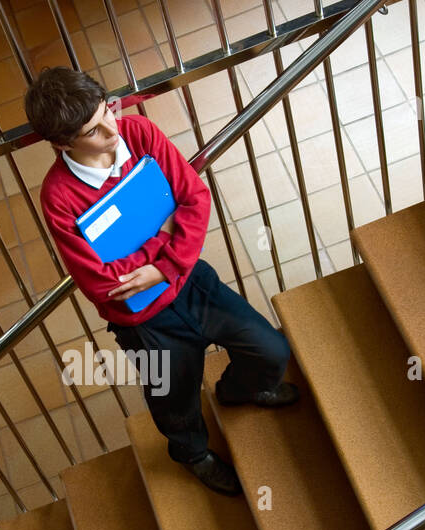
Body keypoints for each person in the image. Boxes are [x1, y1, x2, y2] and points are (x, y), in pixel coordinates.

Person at [25, 67, 298, 497]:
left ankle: (237, 391)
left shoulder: (140, 133)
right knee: (175, 402)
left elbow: (194, 198)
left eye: (107, 113)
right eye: (92, 131)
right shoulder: (58, 196)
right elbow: (105, 283)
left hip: (192, 283)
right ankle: (193, 455)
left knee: (271, 349)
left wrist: (161, 266)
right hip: (144, 323)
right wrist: (167, 234)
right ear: (62, 144)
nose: (111, 131)